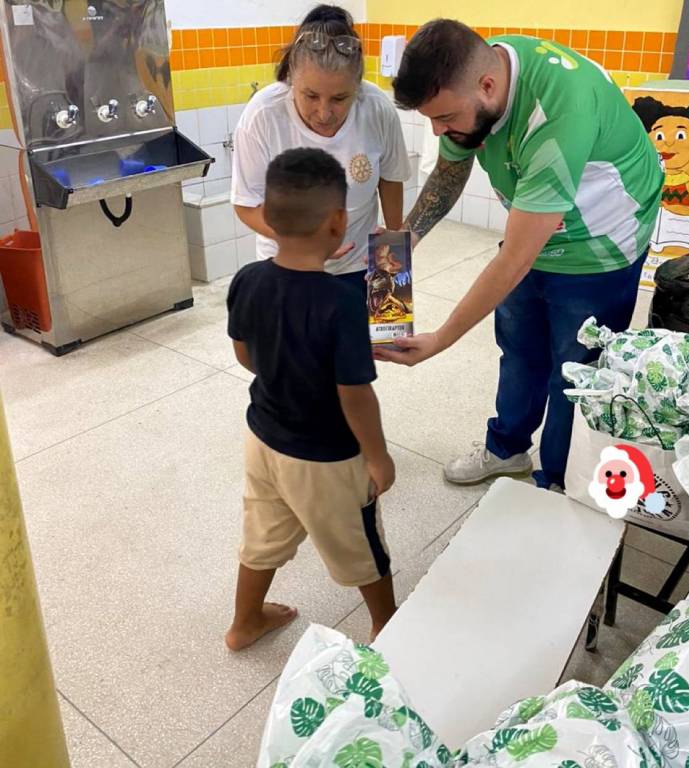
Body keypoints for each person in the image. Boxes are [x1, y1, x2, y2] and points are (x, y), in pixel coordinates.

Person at [378, 20, 664, 491]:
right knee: (519, 348)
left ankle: (559, 479)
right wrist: (401, 244)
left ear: (487, 87)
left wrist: (440, 340)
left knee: (574, 370)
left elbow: (513, 261)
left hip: (603, 242)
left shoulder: (558, 111)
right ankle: (506, 449)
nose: (438, 130)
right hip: (539, 226)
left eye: (445, 117)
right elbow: (449, 173)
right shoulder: (480, 72)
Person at [225, 148, 396, 650]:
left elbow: (245, 354)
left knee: (262, 532)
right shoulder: (342, 303)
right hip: (326, 457)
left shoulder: (247, 280)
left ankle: (245, 622)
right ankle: (386, 624)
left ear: (268, 217)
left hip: (264, 439)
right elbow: (355, 395)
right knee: (359, 543)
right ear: (338, 222)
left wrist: (286, 372)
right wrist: (378, 457)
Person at [230, 4, 411, 300]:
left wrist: (395, 248)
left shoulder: (376, 107)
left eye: (340, 98)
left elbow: (390, 179)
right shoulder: (263, 114)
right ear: (291, 77)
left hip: (361, 266)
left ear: (357, 86)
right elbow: (246, 204)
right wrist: (302, 244)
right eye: (311, 95)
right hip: (287, 266)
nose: (324, 113)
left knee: (379, 331)